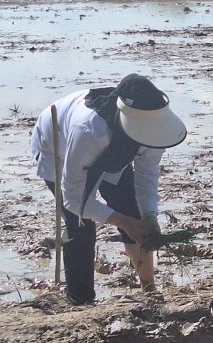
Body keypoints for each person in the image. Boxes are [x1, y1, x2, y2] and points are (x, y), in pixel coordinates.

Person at [30, 74, 187, 305]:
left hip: (114, 151)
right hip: (59, 148)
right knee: (80, 225)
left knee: (133, 211)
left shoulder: (155, 128)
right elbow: (74, 200)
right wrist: (123, 223)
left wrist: (149, 215)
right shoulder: (88, 130)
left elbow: (147, 174)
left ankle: (150, 290)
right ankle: (81, 301)